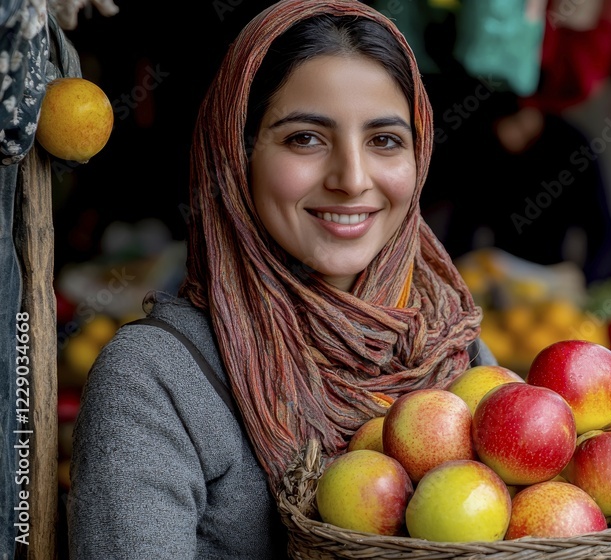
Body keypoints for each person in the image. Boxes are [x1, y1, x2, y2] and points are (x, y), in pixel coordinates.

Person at [67, 2, 496, 558]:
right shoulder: (157, 381)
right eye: (305, 139)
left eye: (385, 140)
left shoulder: (455, 353)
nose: (352, 178)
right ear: (236, 154)